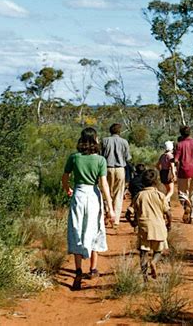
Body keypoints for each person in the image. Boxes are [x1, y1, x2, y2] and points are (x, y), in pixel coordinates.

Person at [62, 127, 115, 291]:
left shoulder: (74, 158)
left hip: (78, 193)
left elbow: (65, 177)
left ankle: (78, 270)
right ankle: (93, 268)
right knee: (94, 228)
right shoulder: (100, 160)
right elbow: (104, 184)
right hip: (93, 195)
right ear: (95, 140)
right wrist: (110, 207)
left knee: (77, 228)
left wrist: (67, 189)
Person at [125, 169, 172, 281]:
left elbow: (128, 213)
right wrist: (169, 224)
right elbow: (168, 213)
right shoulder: (160, 195)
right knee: (159, 249)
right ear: (156, 181)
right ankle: (154, 262)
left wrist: (133, 223)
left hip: (144, 226)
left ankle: (144, 277)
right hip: (159, 226)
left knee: (143, 252)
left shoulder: (139, 196)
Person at [101, 123, 131, 229]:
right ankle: (116, 220)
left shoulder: (104, 141)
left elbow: (101, 155)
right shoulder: (124, 142)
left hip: (107, 168)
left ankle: (108, 212)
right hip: (120, 169)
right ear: (119, 131)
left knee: (106, 192)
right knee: (118, 194)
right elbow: (128, 157)